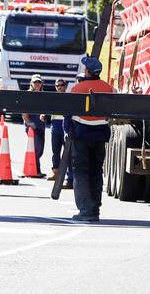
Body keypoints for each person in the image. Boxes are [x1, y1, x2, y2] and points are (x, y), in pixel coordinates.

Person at [65, 56, 115, 222]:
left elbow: (68, 113)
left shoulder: (78, 89)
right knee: (96, 172)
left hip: (81, 136)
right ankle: (95, 209)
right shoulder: (108, 89)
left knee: (81, 173)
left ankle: (86, 210)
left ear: (87, 71)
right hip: (100, 137)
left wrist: (69, 130)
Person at [46, 78, 73, 188]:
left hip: (65, 127)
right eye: (57, 86)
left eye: (61, 85)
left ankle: (69, 177)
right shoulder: (53, 98)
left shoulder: (69, 98)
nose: (59, 87)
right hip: (55, 127)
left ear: (65, 86)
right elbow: (47, 110)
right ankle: (55, 173)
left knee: (68, 154)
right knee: (55, 152)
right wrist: (44, 115)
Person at [22, 74, 46, 177]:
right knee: (36, 148)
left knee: (40, 150)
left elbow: (44, 110)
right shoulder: (28, 94)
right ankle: (35, 170)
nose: (37, 84)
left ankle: (35, 169)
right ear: (31, 83)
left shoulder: (43, 95)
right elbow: (24, 111)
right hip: (32, 127)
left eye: (39, 82)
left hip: (41, 126)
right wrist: (29, 123)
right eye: (35, 82)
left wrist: (44, 115)